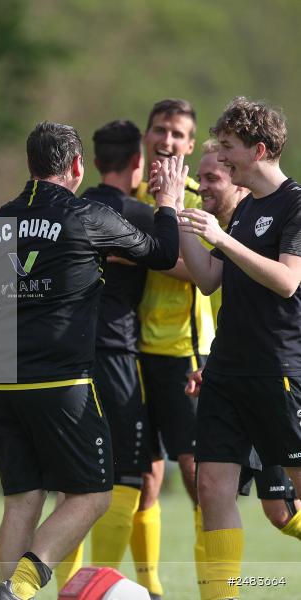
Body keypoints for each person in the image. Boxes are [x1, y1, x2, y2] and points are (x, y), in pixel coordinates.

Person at [0, 121, 182, 599]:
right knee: (91, 495)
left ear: (31, 166)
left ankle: (9, 593)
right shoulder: (87, 216)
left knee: (22, 500)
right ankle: (19, 589)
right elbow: (164, 254)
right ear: (77, 166)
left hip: (1, 382)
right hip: (61, 384)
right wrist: (166, 203)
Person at [176, 100, 301, 599]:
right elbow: (207, 281)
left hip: (278, 369)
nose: (221, 157)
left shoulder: (295, 205)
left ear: (259, 149)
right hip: (226, 372)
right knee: (212, 489)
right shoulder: (246, 207)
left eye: (228, 147)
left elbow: (289, 282)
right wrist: (178, 221)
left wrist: (224, 241)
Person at [62, 120, 158, 583]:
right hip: (118, 352)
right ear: (137, 162)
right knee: (125, 479)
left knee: (74, 481)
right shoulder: (137, 215)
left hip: (71, 355)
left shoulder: (73, 210)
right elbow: (191, 270)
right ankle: (100, 587)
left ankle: (68, 589)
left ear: (94, 163)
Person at [130, 99, 213, 599]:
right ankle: (151, 589)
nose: (167, 140)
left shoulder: (205, 197)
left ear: (190, 143)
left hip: (186, 353)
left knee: (198, 476)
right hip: (133, 354)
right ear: (146, 135)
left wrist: (137, 250)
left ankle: (217, 582)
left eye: (179, 134)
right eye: (160, 129)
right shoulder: (129, 194)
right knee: (143, 479)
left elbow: (206, 271)